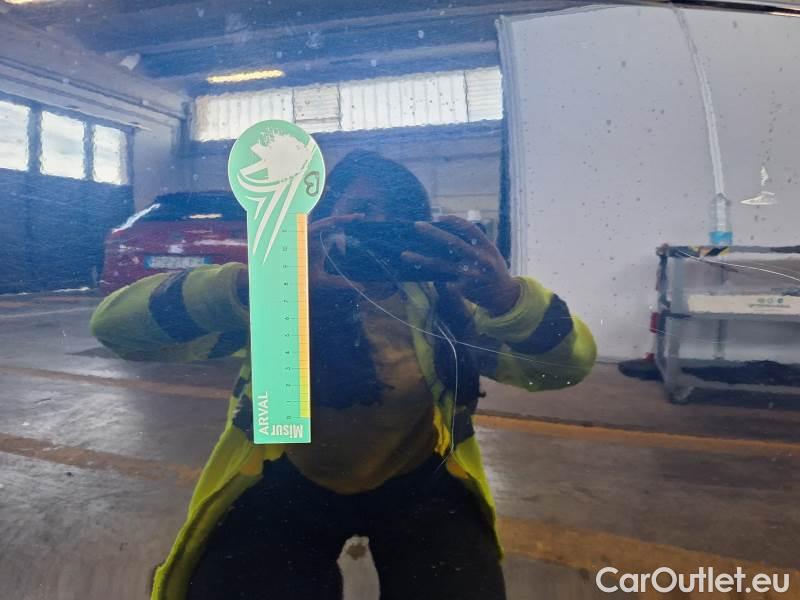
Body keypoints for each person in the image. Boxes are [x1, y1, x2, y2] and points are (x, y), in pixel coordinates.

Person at [90, 150, 597, 600]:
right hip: (284, 478)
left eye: (397, 217)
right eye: (360, 212)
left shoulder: (445, 304)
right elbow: (115, 328)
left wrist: (509, 300)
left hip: (422, 481)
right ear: (323, 218)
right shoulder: (283, 295)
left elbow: (564, 369)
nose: (377, 227)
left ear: (422, 228)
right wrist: (254, 284)